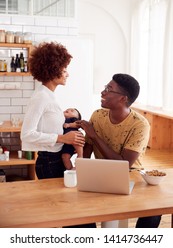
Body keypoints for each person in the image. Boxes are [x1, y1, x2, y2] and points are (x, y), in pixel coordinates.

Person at [77, 73, 161, 228]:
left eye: (109, 89)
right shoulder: (97, 115)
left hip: (132, 177)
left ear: (123, 98)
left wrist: (94, 136)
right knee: (75, 214)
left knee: (154, 212)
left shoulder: (140, 125)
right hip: (101, 175)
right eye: (105, 87)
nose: (103, 92)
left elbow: (124, 165)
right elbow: (86, 153)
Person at [20, 41, 85, 179]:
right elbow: (26, 134)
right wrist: (63, 138)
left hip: (56, 159)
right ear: (53, 70)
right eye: (64, 70)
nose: (68, 75)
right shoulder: (41, 97)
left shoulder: (49, 95)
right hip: (49, 162)